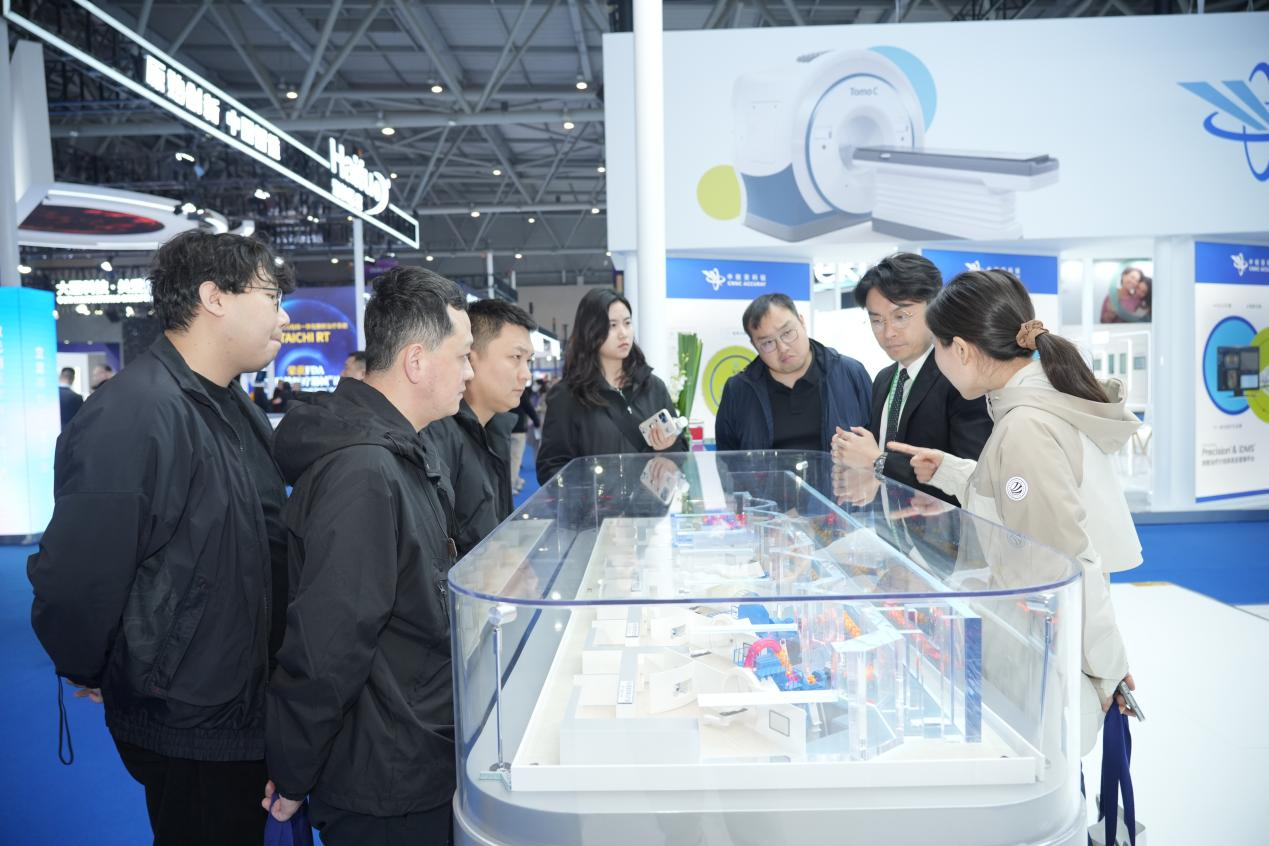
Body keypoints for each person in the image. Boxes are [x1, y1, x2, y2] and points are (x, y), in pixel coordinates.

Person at [28, 231, 294, 845]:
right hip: (189, 716)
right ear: (214, 298)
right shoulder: (135, 412)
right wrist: (94, 664)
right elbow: (78, 574)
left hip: (239, 702)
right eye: (271, 297)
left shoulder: (230, 405)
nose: (282, 317)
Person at [886, 268, 1140, 755]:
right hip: (1039, 642)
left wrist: (1109, 670)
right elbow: (1022, 499)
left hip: (1041, 651)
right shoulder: (1035, 403)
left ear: (962, 350)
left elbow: (1066, 562)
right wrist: (952, 471)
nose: (936, 360)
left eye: (937, 346)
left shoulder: (1024, 426)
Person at [263, 266, 473, 846]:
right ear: (416, 361)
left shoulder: (398, 453)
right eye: (462, 356)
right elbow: (329, 642)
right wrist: (294, 769)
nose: (469, 371)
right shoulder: (365, 472)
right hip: (384, 776)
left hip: (408, 748)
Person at [830, 253, 992, 504]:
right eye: (877, 321)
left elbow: (975, 478)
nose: (888, 332)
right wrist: (859, 464)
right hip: (891, 524)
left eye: (901, 317)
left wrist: (877, 460)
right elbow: (881, 462)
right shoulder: (884, 380)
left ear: (934, 308)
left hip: (947, 527)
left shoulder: (961, 379)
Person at [536, 288, 687, 483]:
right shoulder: (568, 395)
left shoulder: (653, 387)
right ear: (590, 330)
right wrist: (593, 488)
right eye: (612, 325)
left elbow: (682, 452)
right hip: (595, 502)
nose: (623, 333)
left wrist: (667, 448)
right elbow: (550, 467)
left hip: (648, 502)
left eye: (627, 323)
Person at [423, 298, 536, 557]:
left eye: (528, 360)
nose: (526, 374)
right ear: (470, 358)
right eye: (516, 357)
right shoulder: (438, 439)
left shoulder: (494, 430)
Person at [715, 293, 871, 452]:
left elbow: (875, 444)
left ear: (802, 322)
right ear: (755, 345)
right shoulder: (738, 390)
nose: (782, 348)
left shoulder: (850, 373)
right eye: (767, 342)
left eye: (787, 333)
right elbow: (727, 459)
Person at [509, 383, 540, 494]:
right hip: (518, 429)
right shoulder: (520, 389)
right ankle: (511, 485)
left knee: (508, 458)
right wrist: (537, 421)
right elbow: (528, 408)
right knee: (515, 459)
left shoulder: (503, 387)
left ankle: (516, 480)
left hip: (504, 429)